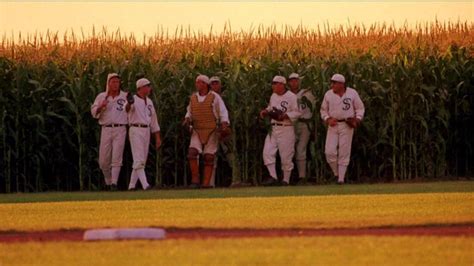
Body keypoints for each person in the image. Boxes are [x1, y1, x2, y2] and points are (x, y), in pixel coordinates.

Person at [183, 75, 230, 189]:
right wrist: (187, 119)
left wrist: (224, 124)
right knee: (192, 152)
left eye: (200, 82)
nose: (197, 85)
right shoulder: (193, 98)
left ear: (205, 84)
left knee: (209, 157)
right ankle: (195, 179)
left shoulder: (214, 97)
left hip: (211, 130)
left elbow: (222, 111)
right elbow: (189, 111)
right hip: (197, 129)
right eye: (196, 82)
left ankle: (206, 183)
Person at [320, 74, 365, 184]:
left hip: (347, 124)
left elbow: (360, 108)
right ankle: (336, 173)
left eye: (334, 83)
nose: (332, 85)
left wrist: (357, 119)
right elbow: (323, 110)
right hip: (333, 124)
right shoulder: (328, 94)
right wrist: (327, 119)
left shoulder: (352, 93)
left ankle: (341, 179)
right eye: (332, 83)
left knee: (344, 151)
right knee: (329, 152)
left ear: (341, 84)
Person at [260, 75, 301, 186]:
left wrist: (286, 115)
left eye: (275, 83)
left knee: (286, 156)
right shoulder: (273, 96)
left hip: (286, 128)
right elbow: (271, 107)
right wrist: (265, 111)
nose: (273, 86)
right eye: (273, 83)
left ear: (281, 85)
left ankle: (286, 180)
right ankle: (273, 177)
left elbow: (297, 112)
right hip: (273, 128)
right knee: (267, 152)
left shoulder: (291, 97)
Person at [90, 73, 128, 191]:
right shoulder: (101, 96)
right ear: (108, 83)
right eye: (113, 82)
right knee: (103, 160)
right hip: (106, 128)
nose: (116, 84)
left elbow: (131, 111)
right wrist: (101, 106)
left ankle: (114, 184)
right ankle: (108, 181)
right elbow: (94, 113)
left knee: (117, 156)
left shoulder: (125, 96)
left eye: (117, 82)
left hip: (120, 128)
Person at [208, 76, 246, 188]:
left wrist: (226, 128)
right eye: (212, 84)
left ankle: (236, 180)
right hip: (212, 131)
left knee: (231, 154)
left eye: (217, 83)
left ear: (220, 85)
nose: (215, 85)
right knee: (211, 156)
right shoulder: (207, 98)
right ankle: (210, 183)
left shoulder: (227, 98)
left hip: (225, 130)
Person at [126, 78, 162, 190]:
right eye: (147, 86)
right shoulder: (134, 100)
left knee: (141, 160)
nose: (149, 88)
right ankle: (145, 185)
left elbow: (154, 120)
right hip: (136, 129)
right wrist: (129, 103)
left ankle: (131, 186)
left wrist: (157, 138)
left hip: (146, 130)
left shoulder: (149, 101)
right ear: (140, 88)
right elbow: (127, 110)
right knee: (139, 158)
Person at [288, 73, 316, 184]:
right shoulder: (287, 95)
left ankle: (302, 177)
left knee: (301, 150)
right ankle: (290, 176)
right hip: (291, 125)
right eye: (291, 81)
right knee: (290, 151)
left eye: (296, 80)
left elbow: (313, 109)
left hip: (305, 124)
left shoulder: (307, 94)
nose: (294, 83)